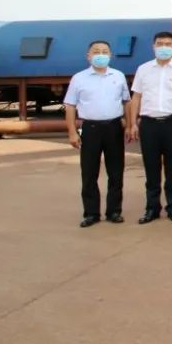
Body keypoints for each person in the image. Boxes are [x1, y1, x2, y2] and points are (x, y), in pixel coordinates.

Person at [64, 40, 131, 228]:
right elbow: (70, 106)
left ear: (110, 55)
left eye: (104, 51)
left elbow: (126, 102)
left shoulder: (118, 76)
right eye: (96, 52)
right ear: (88, 56)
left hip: (114, 128)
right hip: (90, 129)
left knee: (116, 172)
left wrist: (129, 125)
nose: (100, 55)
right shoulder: (79, 78)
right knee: (89, 172)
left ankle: (114, 211)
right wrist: (72, 132)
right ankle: (91, 213)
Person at [128, 32, 172, 224]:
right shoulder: (143, 69)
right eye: (160, 43)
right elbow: (136, 97)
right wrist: (133, 123)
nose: (164, 47)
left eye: (167, 44)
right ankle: (152, 208)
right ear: (153, 46)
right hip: (148, 124)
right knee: (151, 168)